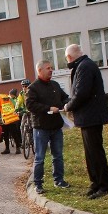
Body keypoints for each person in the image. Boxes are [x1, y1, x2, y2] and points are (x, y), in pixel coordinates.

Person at [64, 44, 108, 200]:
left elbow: (81, 93)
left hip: (91, 117)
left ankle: (104, 186)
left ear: (70, 57)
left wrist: (68, 106)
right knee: (90, 153)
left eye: (67, 58)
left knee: (95, 153)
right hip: (88, 117)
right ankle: (96, 183)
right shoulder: (83, 65)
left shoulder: (84, 67)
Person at [25, 60, 70, 194]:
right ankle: (38, 184)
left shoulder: (55, 85)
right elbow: (30, 105)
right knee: (40, 157)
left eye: (52, 68)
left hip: (56, 127)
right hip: (41, 127)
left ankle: (59, 180)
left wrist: (66, 105)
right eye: (48, 68)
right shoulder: (33, 88)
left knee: (58, 155)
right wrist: (48, 108)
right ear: (40, 70)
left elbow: (65, 98)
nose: (51, 70)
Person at [0, 90, 22, 154]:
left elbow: (16, 105)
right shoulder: (1, 100)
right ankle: (7, 149)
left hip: (11, 119)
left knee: (13, 134)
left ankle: (17, 148)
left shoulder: (11, 99)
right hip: (6, 120)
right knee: (6, 135)